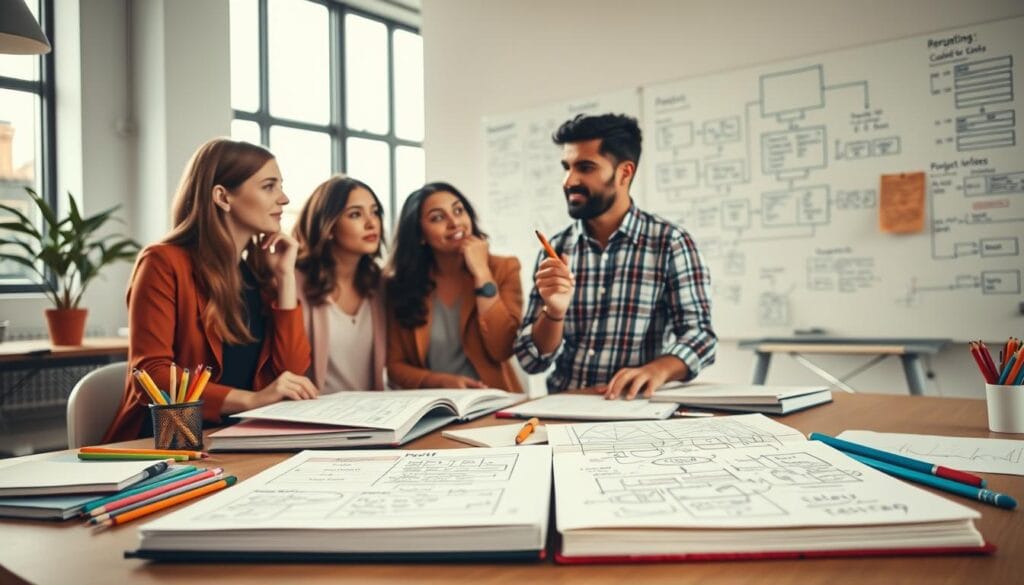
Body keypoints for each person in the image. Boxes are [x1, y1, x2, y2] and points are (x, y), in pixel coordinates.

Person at [103, 138, 317, 442]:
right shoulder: (163, 262)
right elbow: (151, 373)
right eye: (269, 186)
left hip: (240, 438)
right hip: (168, 444)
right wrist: (251, 400)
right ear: (222, 197)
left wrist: (284, 278)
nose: (284, 199)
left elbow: (291, 373)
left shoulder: (257, 274)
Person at [514, 113, 717, 399]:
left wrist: (657, 370)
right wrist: (554, 313)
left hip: (635, 409)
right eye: (567, 167)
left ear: (624, 173)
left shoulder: (670, 243)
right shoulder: (556, 249)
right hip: (565, 407)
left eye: (585, 167)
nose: (569, 180)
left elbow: (701, 337)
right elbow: (531, 360)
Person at [386, 182, 524, 392]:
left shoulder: (504, 268)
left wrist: (481, 272)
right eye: (438, 217)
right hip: (434, 404)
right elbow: (395, 366)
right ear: (420, 234)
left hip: (494, 400)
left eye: (458, 211)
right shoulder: (403, 284)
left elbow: (502, 348)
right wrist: (439, 381)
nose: (454, 222)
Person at [292, 175, 387, 392]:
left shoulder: (379, 285)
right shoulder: (293, 282)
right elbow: (287, 367)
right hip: (316, 417)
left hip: (375, 417)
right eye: (355, 214)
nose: (372, 223)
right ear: (329, 226)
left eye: (375, 212)